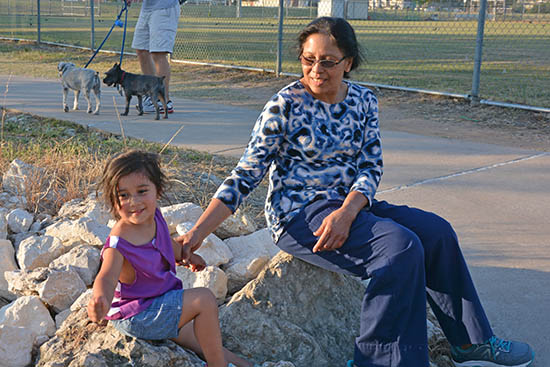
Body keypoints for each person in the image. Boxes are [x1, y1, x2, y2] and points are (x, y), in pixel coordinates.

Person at [176, 17, 535, 367]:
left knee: (437, 232)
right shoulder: (284, 106)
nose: (316, 69)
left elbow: (370, 166)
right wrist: (196, 234)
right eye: (308, 60)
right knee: (399, 247)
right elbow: (245, 175)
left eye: (328, 61)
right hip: (300, 215)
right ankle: (375, 360)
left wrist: (349, 211)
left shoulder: (364, 101)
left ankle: (470, 343)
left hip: (353, 206)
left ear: (348, 63)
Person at [87, 150, 253, 367]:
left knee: (203, 338)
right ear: (113, 200)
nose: (134, 202)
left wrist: (187, 255)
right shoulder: (120, 241)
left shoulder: (154, 216)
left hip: (159, 302)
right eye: (123, 195)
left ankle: (242, 364)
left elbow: (166, 243)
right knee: (204, 300)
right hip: (139, 315)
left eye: (141, 191)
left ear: (158, 190)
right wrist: (100, 299)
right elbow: (107, 276)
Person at [127, 0, 181, 114]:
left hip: (164, 7)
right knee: (141, 50)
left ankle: (164, 100)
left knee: (158, 53)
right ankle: (151, 96)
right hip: (147, 8)